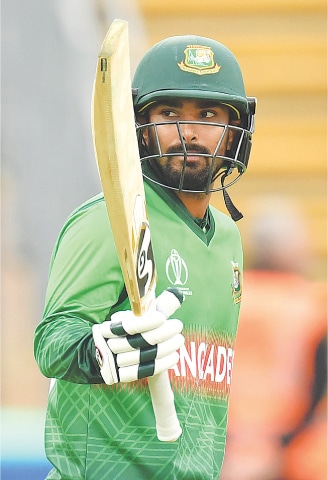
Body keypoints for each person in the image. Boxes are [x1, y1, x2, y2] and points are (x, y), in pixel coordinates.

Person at [34, 33, 256, 480]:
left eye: (207, 115)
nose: (187, 132)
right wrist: (100, 351)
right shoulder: (107, 220)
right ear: (140, 124)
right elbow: (50, 343)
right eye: (168, 112)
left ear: (234, 132)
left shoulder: (229, 239)